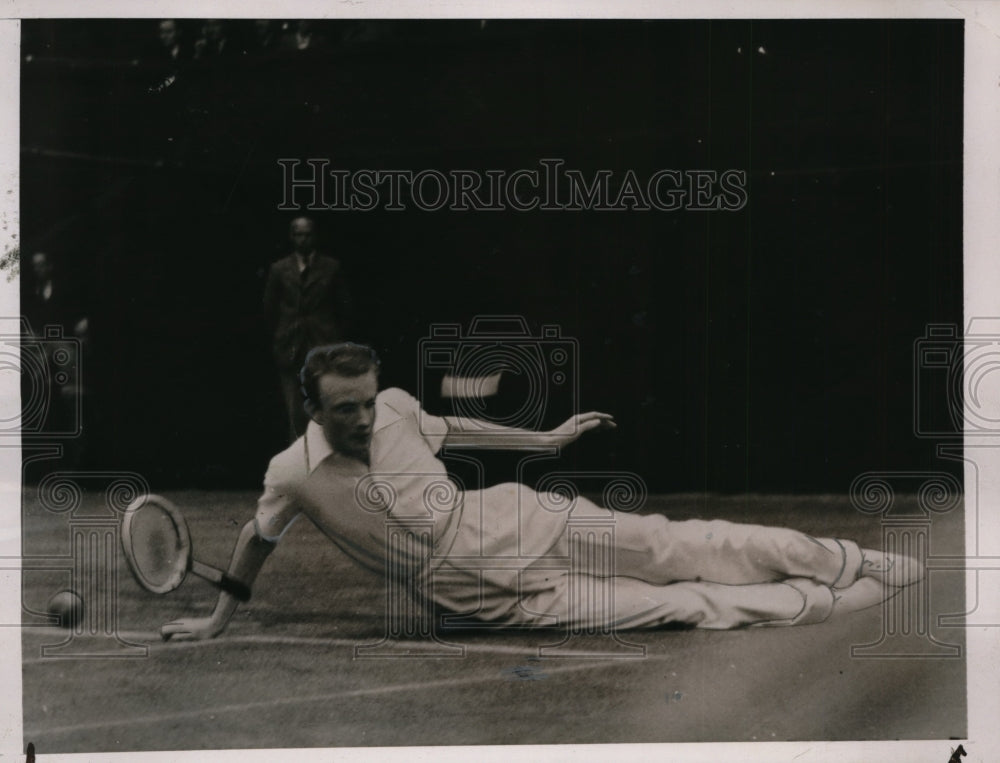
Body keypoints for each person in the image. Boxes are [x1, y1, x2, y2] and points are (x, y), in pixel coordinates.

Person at [162, 342, 922, 641]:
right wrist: (217, 618)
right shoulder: (290, 471)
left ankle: (845, 557)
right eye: (344, 408)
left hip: (518, 518)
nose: (363, 417)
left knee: (682, 543)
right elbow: (258, 537)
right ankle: (827, 601)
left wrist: (548, 438)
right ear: (312, 407)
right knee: (683, 603)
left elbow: (454, 427)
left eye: (366, 401)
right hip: (480, 598)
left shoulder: (394, 406)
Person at [263, 216, 352, 440]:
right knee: (293, 408)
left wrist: (334, 338)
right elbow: (270, 309)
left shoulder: (331, 267)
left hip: (323, 345)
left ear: (315, 236)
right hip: (290, 346)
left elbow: (343, 308)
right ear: (291, 236)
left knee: (323, 402)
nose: (303, 239)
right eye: (298, 234)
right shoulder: (279, 269)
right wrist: (281, 335)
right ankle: (298, 461)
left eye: (308, 234)